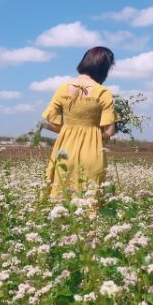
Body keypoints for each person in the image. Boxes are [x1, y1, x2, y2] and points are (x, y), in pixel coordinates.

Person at [41, 46, 117, 200]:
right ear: (104, 68)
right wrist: (93, 135)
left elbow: (49, 122)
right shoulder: (103, 92)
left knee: (60, 198)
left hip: (64, 152)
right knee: (89, 201)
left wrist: (69, 131)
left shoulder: (62, 88)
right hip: (92, 153)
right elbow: (109, 131)